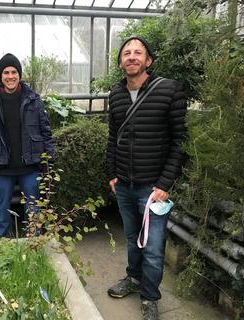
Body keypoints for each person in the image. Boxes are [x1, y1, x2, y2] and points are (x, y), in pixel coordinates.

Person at [106, 36, 187, 320]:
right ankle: (134, 278)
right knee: (132, 239)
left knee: (153, 248)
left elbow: (180, 141)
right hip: (125, 185)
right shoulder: (115, 95)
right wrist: (112, 174)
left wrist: (165, 184)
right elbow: (113, 137)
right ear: (120, 62)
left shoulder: (169, 91)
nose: (131, 56)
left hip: (153, 189)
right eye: (126, 53)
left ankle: (150, 297)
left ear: (148, 60)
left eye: (137, 52)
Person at [0, 53, 55, 239]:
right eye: (6, 72)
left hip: (30, 167)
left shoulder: (33, 99)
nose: (11, 76)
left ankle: (33, 240)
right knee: (1, 207)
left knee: (33, 206)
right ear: (0, 76)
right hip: (1, 168)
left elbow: (45, 131)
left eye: (14, 72)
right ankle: (3, 241)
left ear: (20, 74)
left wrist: (48, 161)